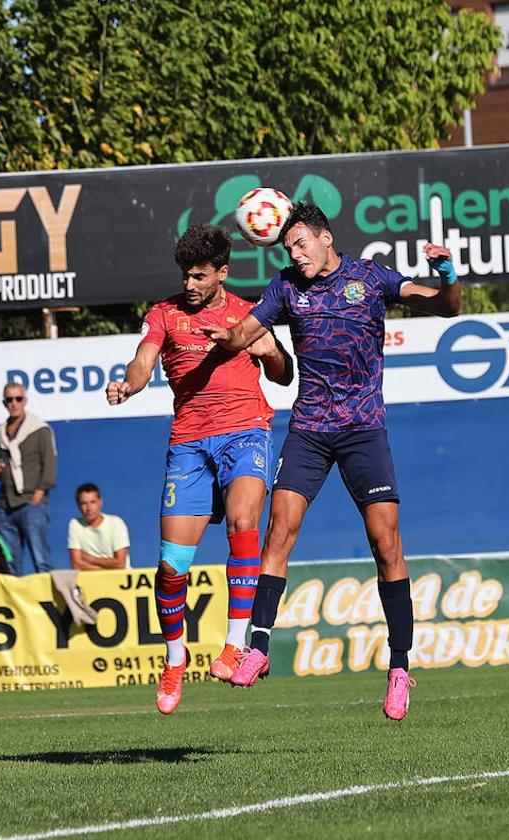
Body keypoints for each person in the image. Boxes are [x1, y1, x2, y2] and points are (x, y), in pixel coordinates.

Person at [201, 202, 461, 721]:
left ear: (326, 238)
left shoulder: (370, 277)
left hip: (364, 430)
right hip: (310, 431)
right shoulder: (285, 287)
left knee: (386, 544)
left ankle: (400, 668)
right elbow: (244, 332)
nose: (295, 255)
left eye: (301, 244)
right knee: (279, 532)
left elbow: (447, 307)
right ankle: (257, 646)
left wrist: (447, 273)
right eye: (288, 248)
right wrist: (224, 335)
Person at [107, 222, 293, 715]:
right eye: (185, 276)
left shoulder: (249, 313)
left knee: (244, 524)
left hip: (246, 431)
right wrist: (129, 385)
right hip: (189, 444)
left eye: (199, 276)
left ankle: (234, 646)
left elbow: (283, 373)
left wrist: (267, 349)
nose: (189, 285)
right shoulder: (164, 314)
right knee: (171, 568)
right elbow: (142, 362)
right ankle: (174, 658)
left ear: (222, 274)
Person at [0, 383, 57, 575]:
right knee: (10, 565)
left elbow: (50, 466)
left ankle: (46, 604)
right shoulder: (0, 433)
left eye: (18, 398)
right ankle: (16, 605)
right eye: (9, 400)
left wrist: (39, 494)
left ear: (25, 401)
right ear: (4, 403)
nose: (14, 403)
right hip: (5, 505)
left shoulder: (40, 429)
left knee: (41, 561)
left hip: (31, 503)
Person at [67, 483, 130, 570]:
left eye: (92, 502)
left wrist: (89, 558)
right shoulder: (75, 524)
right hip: (91, 581)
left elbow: (120, 563)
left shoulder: (116, 523)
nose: (88, 508)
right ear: (78, 505)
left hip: (120, 581)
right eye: (84, 503)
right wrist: (105, 569)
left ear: (100, 502)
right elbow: (76, 564)